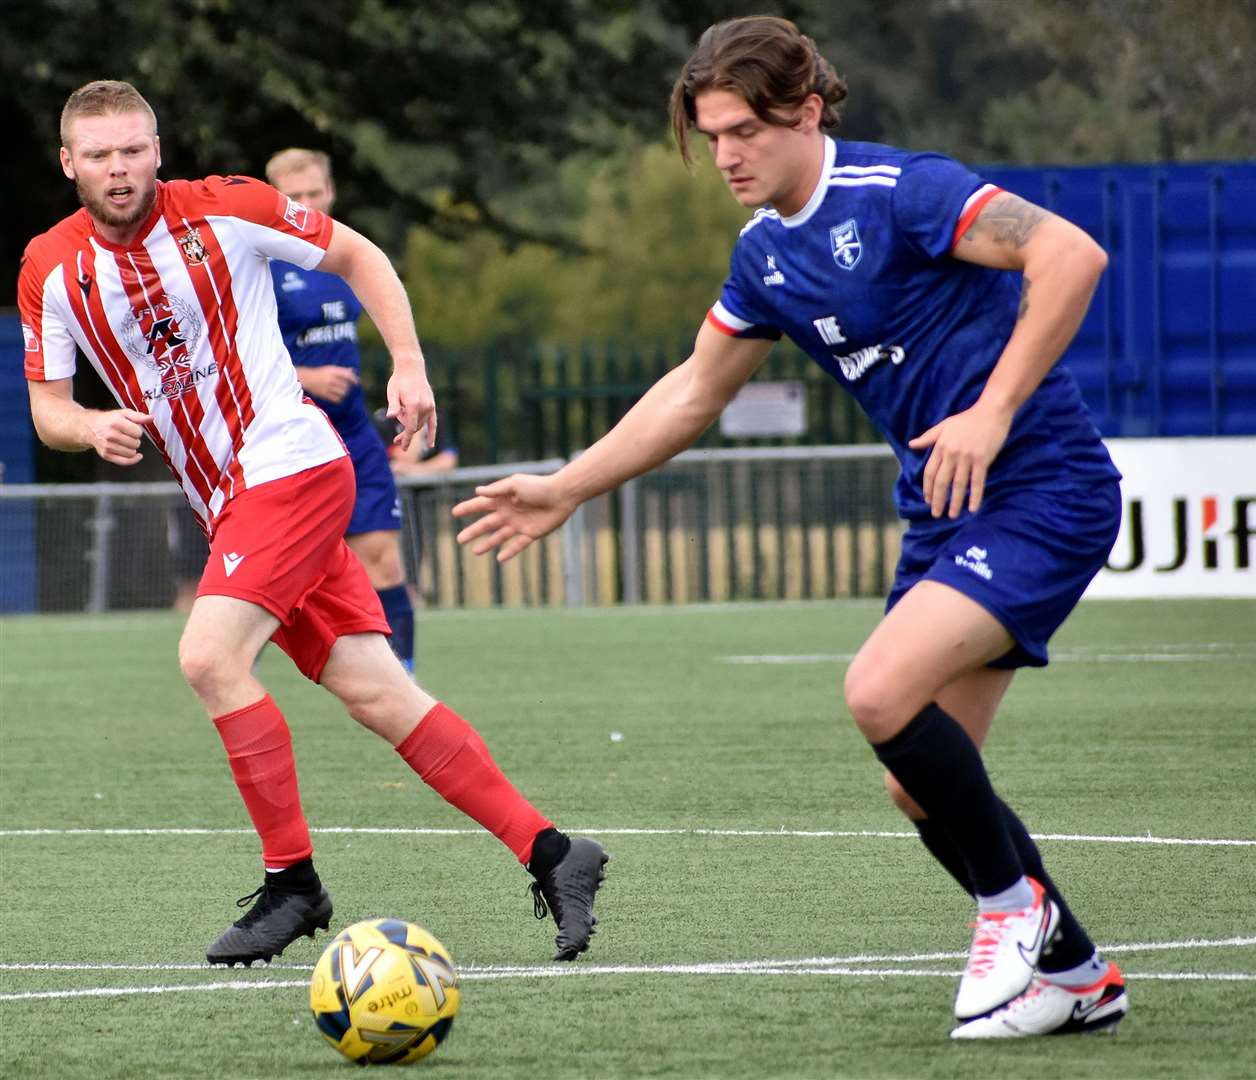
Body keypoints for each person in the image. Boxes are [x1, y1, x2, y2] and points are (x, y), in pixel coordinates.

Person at [455, 16, 1128, 1038]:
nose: (725, 155)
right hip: (942, 512)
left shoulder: (901, 192)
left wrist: (989, 413)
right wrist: (567, 486)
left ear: (805, 112)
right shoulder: (764, 253)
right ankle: (1074, 974)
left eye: (743, 131)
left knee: (875, 691)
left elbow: (1070, 257)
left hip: (1041, 488)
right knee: (919, 789)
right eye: (710, 134)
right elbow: (692, 389)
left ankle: (1010, 912)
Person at [19, 79, 608, 967]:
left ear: (156, 149)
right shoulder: (48, 269)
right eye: (98, 154)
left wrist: (407, 365)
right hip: (232, 502)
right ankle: (553, 851)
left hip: (289, 463)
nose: (119, 168)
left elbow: (361, 256)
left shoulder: (228, 210)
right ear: (69, 164)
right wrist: (89, 425)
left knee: (208, 657)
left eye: (133, 148)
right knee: (379, 692)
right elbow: (46, 407)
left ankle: (293, 884)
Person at [264, 148, 418, 673]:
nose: (306, 206)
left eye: (314, 194)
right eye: (293, 198)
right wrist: (304, 377)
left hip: (354, 435)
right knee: (274, 576)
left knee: (383, 558)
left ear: (330, 193)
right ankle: (237, 669)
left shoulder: (344, 256)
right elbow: (229, 352)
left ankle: (405, 682)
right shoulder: (259, 265)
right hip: (288, 443)